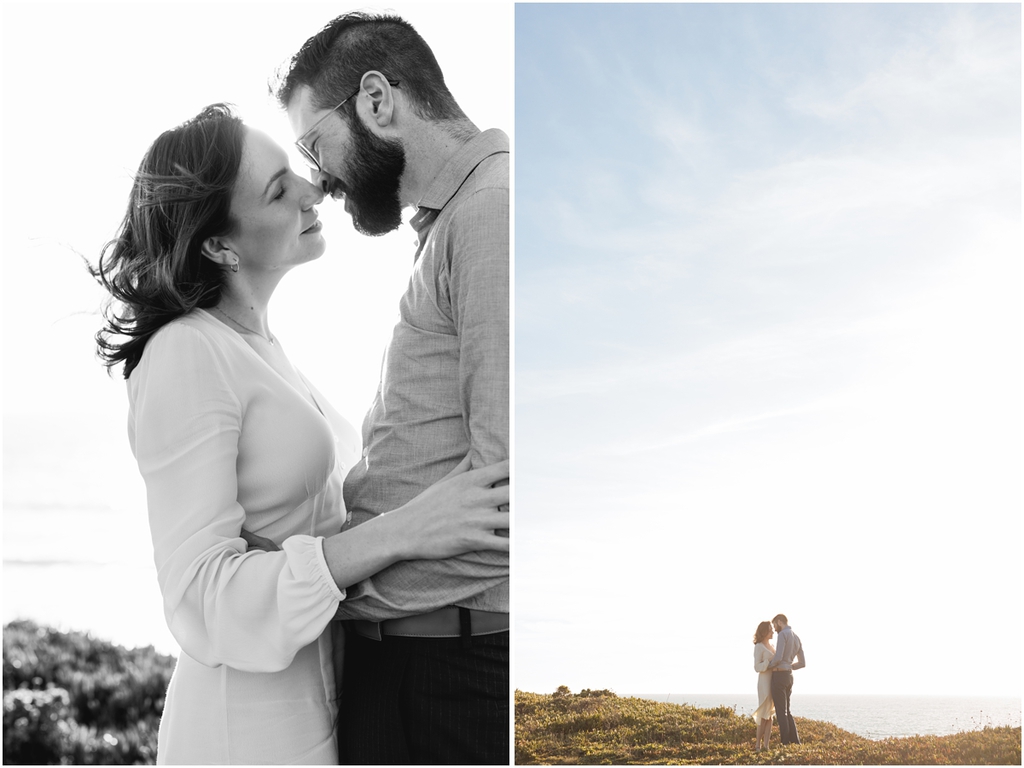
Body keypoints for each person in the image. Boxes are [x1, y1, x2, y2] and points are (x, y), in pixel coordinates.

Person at [90, 104, 510, 765]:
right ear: (220, 245)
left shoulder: (263, 350)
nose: (316, 191)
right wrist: (405, 530)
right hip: (242, 735)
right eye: (279, 189)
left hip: (320, 709)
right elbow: (202, 597)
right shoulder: (185, 353)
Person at [274, 11, 510, 764]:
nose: (317, 179)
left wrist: (368, 569)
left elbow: (506, 489)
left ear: (378, 102)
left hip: (442, 676)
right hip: (413, 667)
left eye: (316, 146)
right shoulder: (455, 222)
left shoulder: (489, 215)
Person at [766, 613, 806, 745]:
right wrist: (790, 666)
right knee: (787, 710)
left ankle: (785, 743)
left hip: (779, 675)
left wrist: (768, 667)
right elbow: (802, 663)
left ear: (779, 622)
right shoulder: (797, 637)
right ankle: (795, 741)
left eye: (774, 625)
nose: (774, 628)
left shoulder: (783, 634)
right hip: (789, 676)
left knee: (780, 711)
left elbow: (778, 657)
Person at [752, 621, 776, 750]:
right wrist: (768, 661)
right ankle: (758, 745)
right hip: (764, 683)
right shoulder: (759, 647)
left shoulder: (772, 645)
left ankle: (766, 746)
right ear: (764, 631)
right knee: (763, 714)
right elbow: (757, 667)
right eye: (770, 629)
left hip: (773, 681)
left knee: (770, 715)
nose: (773, 631)